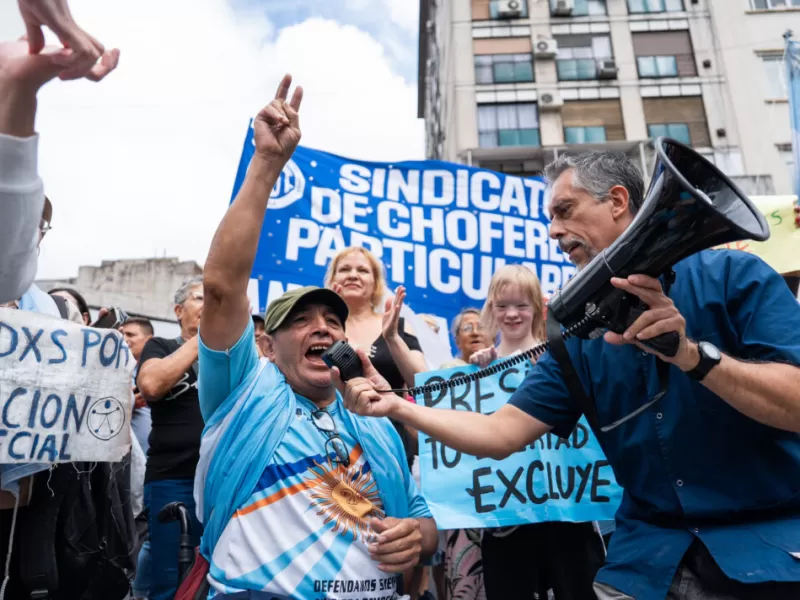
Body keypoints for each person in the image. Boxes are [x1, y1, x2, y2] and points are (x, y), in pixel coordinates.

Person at [338, 150, 800, 600]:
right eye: (550, 218)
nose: (553, 230)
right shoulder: (579, 331)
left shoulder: (735, 276)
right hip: (645, 564)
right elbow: (500, 433)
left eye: (564, 210)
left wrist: (692, 357)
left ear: (617, 201)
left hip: (767, 552)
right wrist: (397, 405)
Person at [194, 74, 438, 599]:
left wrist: (418, 539)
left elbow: (423, 518)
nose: (322, 327)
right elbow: (221, 288)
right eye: (300, 320)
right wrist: (266, 163)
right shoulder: (243, 394)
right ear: (266, 345)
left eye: (332, 320)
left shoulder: (376, 422)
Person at [0, 37, 117, 304]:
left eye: (38, 223)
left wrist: (18, 85)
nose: (28, 229)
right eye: (29, 219)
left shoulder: (47, 308)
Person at [136, 276, 204, 600]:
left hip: (222, 480)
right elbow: (151, 385)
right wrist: (206, 336)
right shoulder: (161, 347)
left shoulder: (232, 354)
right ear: (179, 311)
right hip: (174, 479)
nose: (211, 306)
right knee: (170, 579)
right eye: (201, 299)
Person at [325, 249, 426, 467]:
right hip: (332, 442)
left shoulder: (397, 325)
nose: (353, 275)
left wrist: (392, 338)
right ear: (333, 280)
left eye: (362, 270)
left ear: (376, 283)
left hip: (390, 444)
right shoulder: (321, 327)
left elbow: (424, 383)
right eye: (345, 269)